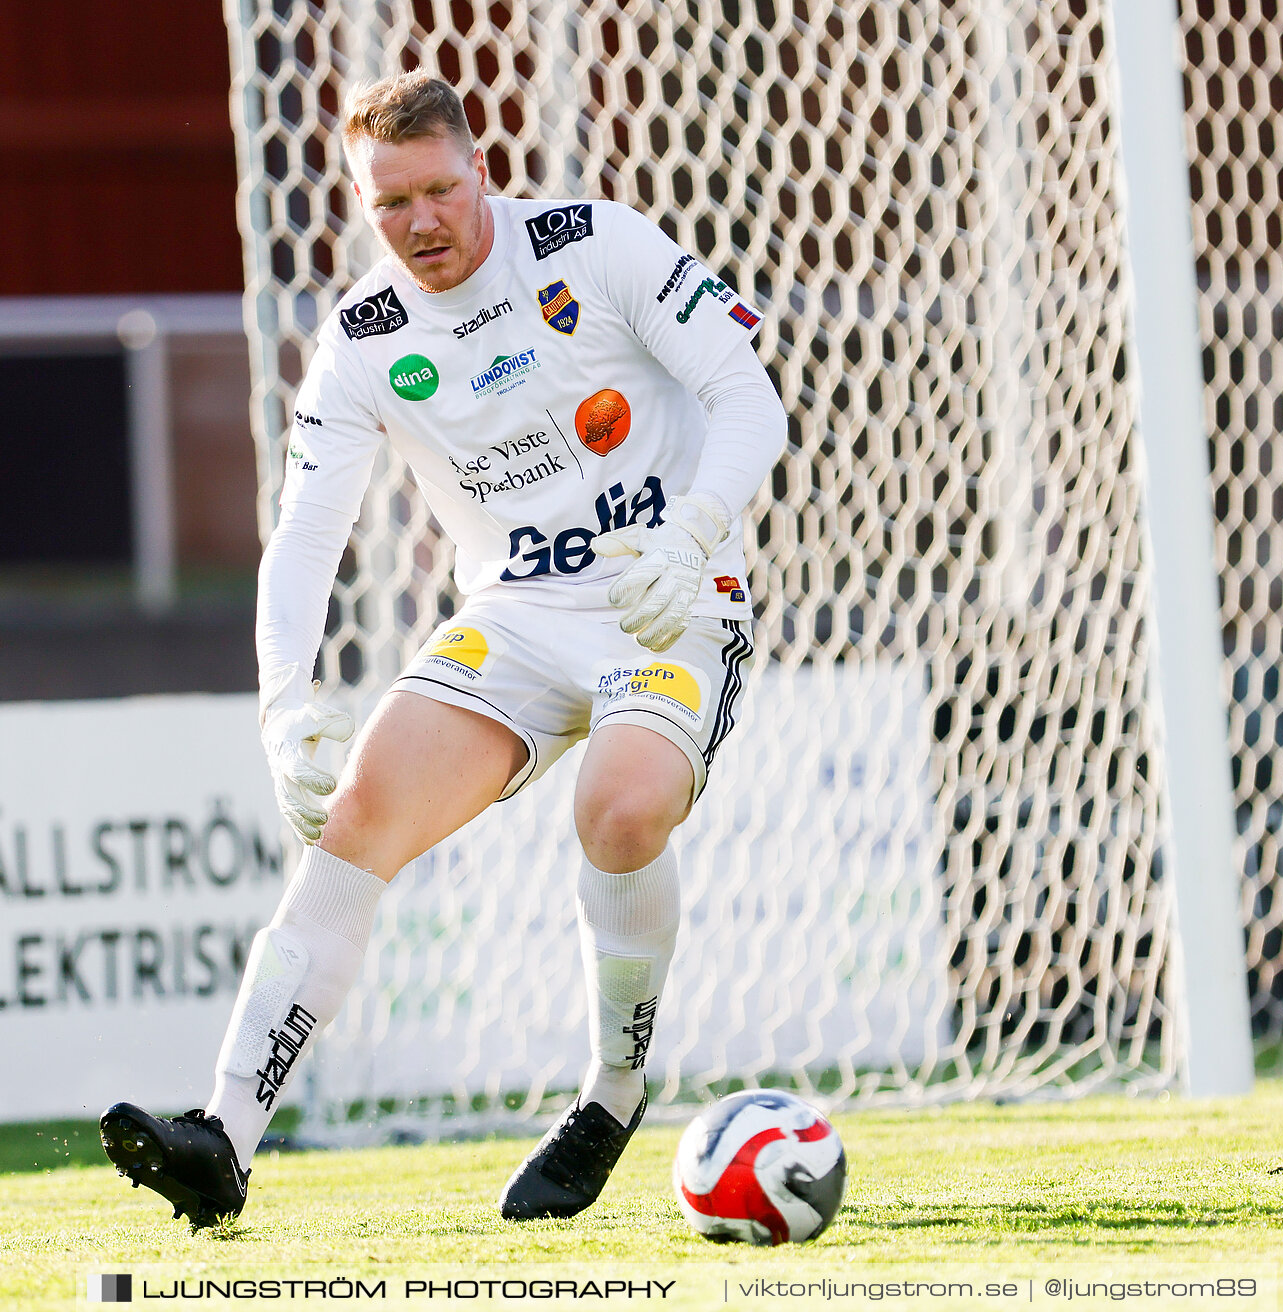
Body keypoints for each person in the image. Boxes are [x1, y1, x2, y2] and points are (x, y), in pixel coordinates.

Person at [98, 69, 786, 1227]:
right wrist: (280, 706)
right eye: (390, 205)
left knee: (618, 811)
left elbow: (747, 396)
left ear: (482, 171)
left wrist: (693, 536)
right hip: (514, 620)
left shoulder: (597, 246)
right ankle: (221, 1137)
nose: (419, 222)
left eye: (436, 189)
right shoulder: (363, 336)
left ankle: (613, 1093)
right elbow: (307, 530)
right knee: (357, 811)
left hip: (667, 597)